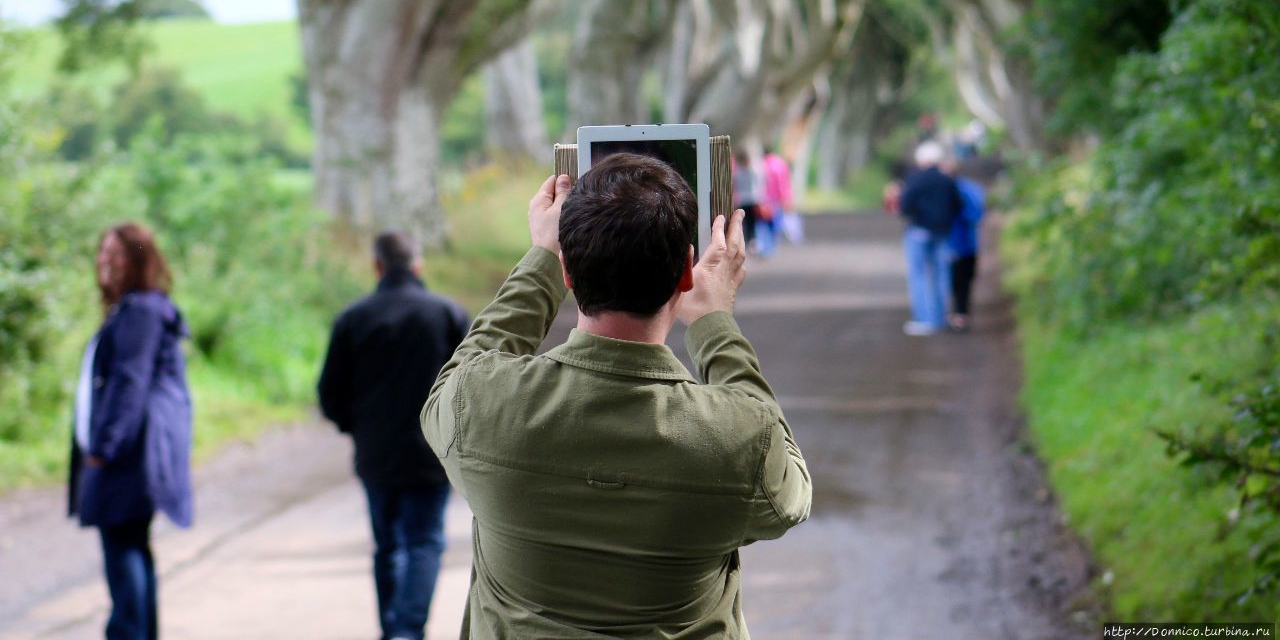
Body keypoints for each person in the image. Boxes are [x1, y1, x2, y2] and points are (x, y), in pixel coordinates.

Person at [421, 154, 812, 637]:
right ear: (686, 272)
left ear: (568, 272)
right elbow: (789, 497)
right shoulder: (741, 439)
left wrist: (542, 257)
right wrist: (714, 324)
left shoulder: (477, 403)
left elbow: (460, 371)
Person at [319, 231, 470, 640]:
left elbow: (329, 393)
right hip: (432, 453)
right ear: (418, 266)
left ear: (377, 266)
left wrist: (358, 428)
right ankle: (407, 630)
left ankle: (392, 630)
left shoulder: (353, 318)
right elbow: (473, 384)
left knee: (386, 547)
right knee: (422, 542)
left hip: (375, 454)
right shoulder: (447, 314)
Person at [69, 222, 193, 640]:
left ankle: (129, 633)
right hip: (132, 449)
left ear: (138, 260)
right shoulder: (137, 308)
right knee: (132, 546)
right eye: (103, 252)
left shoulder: (139, 310)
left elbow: (129, 382)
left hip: (129, 453)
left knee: (122, 548)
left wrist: (105, 446)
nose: (105, 261)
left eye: (116, 253)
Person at [898, 141, 963, 336]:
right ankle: (939, 319)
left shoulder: (915, 179)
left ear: (921, 160)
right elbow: (958, 205)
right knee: (941, 275)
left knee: (919, 275)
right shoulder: (947, 180)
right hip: (942, 232)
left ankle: (925, 320)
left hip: (918, 232)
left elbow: (904, 205)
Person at [942, 161, 986, 331]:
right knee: (962, 282)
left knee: (957, 281)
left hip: (958, 243)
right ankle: (959, 314)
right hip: (964, 243)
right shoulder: (971, 188)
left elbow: (974, 214)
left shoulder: (961, 189)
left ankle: (958, 315)